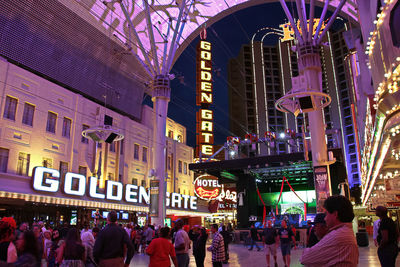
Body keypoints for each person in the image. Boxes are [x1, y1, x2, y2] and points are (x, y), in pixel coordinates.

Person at [300, 195, 359, 266]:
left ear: (335, 214)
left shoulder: (337, 236)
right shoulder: (346, 232)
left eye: (327, 214)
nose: (325, 219)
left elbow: (305, 258)